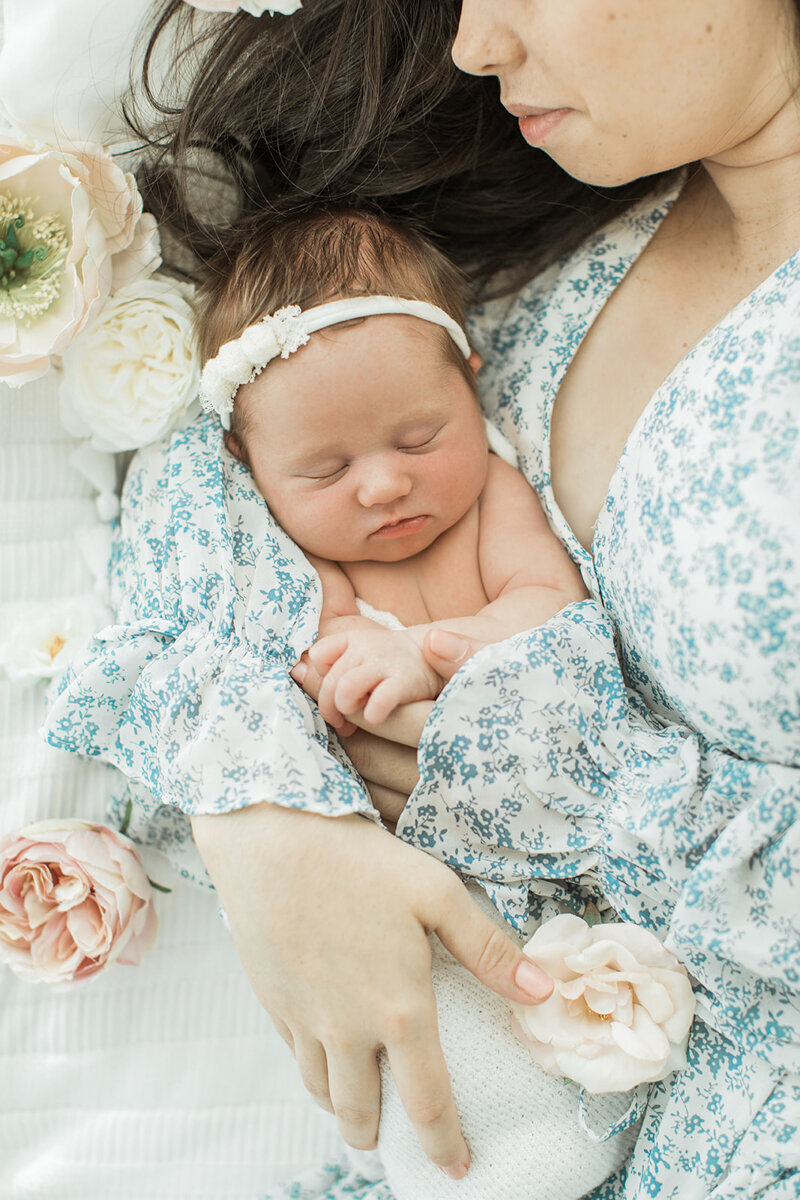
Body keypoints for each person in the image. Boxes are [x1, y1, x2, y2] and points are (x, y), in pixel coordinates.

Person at [46, 1, 799, 1197]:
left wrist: (576, 780)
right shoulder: (542, 228)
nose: (471, 45)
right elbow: (230, 449)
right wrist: (267, 807)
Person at [195, 208, 588, 744]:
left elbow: (553, 602)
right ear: (250, 464)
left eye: (418, 440)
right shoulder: (297, 550)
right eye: (325, 471)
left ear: (471, 387)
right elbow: (326, 649)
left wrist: (425, 657)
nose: (385, 488)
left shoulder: (491, 496)